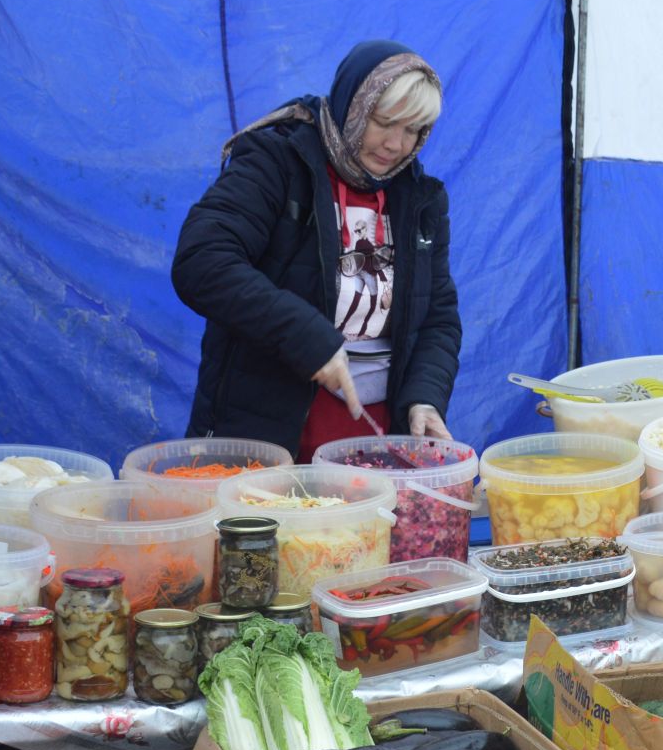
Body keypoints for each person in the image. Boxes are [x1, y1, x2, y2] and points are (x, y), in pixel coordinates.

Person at [173, 40, 461, 459]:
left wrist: (424, 397)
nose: (396, 145)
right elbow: (202, 261)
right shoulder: (276, 162)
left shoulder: (420, 199)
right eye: (384, 122)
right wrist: (306, 337)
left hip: (372, 441)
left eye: (413, 130)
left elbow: (438, 316)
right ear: (353, 104)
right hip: (268, 437)